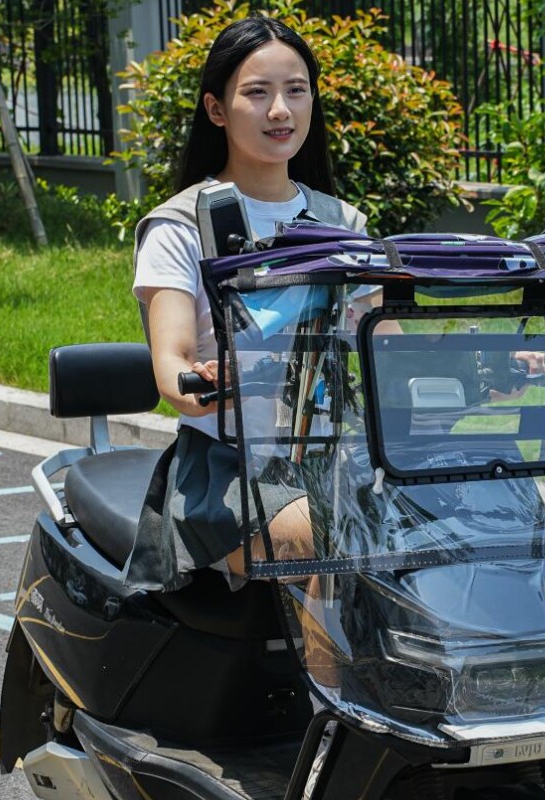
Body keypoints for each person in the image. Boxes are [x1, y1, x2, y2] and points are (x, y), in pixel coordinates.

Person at [123, 14, 367, 594]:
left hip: (335, 463)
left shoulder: (343, 225)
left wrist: (491, 370)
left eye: (296, 90)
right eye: (257, 93)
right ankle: (338, 690)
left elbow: (387, 344)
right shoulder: (180, 226)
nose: (280, 110)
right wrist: (202, 380)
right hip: (226, 470)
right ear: (216, 109)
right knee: (320, 541)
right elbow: (172, 361)